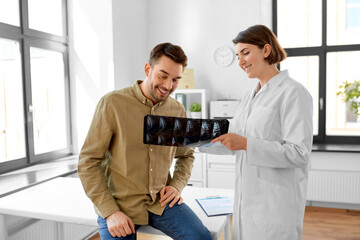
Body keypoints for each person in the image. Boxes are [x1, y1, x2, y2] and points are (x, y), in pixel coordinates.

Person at [78, 42, 212, 240]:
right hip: (119, 204)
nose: (168, 86)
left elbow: (186, 156)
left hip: (160, 202)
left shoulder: (177, 111)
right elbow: (88, 161)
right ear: (148, 68)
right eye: (163, 75)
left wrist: (176, 185)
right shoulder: (112, 103)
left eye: (175, 79)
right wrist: (110, 212)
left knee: (201, 238)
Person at [199, 25, 313, 240]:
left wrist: (246, 144)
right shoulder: (250, 95)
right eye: (237, 56)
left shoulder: (294, 93)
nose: (240, 61)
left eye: (246, 53)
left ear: (266, 50)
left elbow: (299, 153)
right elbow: (232, 139)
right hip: (246, 199)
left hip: (275, 204)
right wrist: (195, 142)